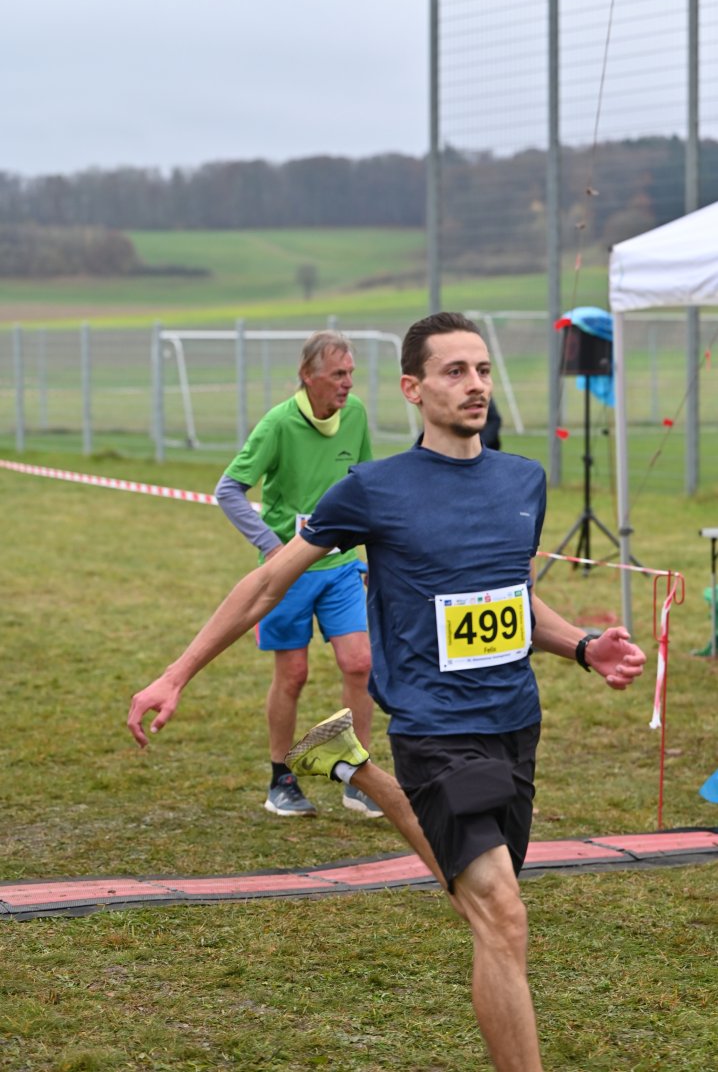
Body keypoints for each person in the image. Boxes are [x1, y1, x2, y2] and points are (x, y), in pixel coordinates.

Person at [128, 311, 646, 1072]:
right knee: (502, 915)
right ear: (412, 388)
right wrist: (175, 673)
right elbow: (268, 583)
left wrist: (581, 645)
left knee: (483, 907)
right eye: (454, 371)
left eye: (482, 369)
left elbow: (509, 597)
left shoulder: (523, 481)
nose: (474, 384)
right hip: (436, 730)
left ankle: (352, 767)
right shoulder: (373, 489)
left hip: (516, 723)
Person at [213, 330, 380, 818]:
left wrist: (376, 555)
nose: (348, 383)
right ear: (308, 376)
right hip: (288, 573)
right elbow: (229, 490)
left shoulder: (356, 415)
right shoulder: (279, 424)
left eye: (350, 373)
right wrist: (273, 548)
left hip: (341, 565)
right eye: (338, 374)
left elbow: (366, 489)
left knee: (360, 663)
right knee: (293, 674)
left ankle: (358, 776)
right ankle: (280, 779)